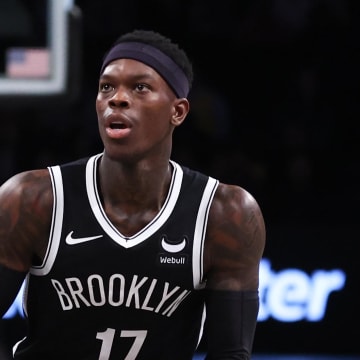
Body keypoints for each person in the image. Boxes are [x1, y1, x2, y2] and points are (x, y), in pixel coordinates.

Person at [0, 29, 266, 359]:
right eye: (106, 87)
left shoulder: (227, 214)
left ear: (178, 111)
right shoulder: (32, 199)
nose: (117, 98)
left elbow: (230, 354)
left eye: (140, 87)